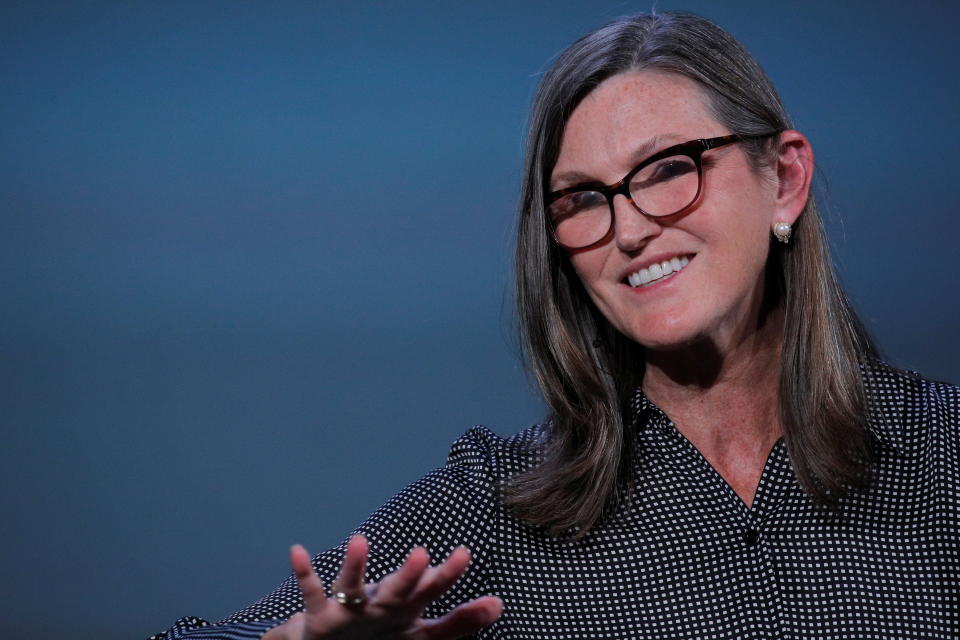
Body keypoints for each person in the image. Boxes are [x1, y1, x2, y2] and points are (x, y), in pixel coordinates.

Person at [152, 11, 959, 640]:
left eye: (669, 169)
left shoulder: (943, 457)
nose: (632, 227)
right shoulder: (498, 513)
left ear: (783, 179)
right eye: (583, 200)